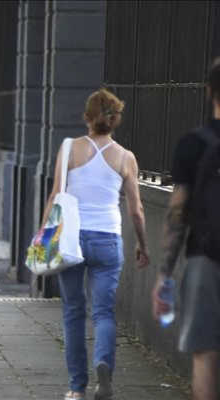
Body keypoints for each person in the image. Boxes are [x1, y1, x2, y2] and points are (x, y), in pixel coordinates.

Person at [40, 89, 149, 400]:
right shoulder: (126, 157)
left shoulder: (70, 149)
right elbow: (136, 209)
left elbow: (54, 197)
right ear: (115, 120)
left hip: (72, 238)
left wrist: (44, 237)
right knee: (103, 312)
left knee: (73, 312)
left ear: (87, 118)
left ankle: (77, 388)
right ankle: (103, 362)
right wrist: (143, 244)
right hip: (107, 239)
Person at [151, 58, 220, 400]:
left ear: (209, 92)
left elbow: (177, 214)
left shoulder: (194, 144)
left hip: (207, 260)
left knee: (205, 354)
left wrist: (164, 275)